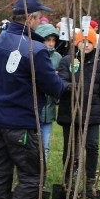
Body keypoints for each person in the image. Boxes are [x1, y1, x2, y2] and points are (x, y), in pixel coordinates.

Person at [0, 0, 67, 199]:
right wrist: (67, 85)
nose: (40, 21)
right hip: (21, 122)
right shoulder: (36, 50)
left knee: (0, 173)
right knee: (33, 176)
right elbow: (54, 87)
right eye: (39, 17)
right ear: (30, 18)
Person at [56, 27, 100, 193]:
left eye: (90, 42)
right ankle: (67, 179)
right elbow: (61, 81)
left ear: (95, 45)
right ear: (77, 43)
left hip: (92, 113)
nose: (86, 45)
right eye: (83, 41)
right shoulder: (68, 61)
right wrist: (72, 87)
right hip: (71, 112)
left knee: (92, 146)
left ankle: (90, 181)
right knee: (70, 147)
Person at [35, 23, 63, 161]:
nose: (51, 43)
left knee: (45, 145)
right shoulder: (33, 54)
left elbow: (61, 81)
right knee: (33, 143)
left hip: (49, 108)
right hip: (34, 108)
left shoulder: (57, 57)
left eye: (53, 40)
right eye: (47, 40)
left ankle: (42, 174)